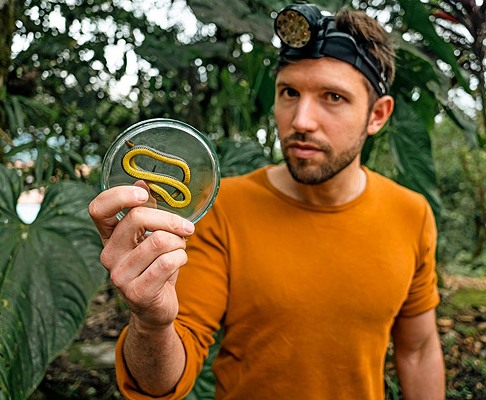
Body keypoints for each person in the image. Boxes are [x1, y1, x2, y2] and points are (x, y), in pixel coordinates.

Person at [89, 4, 445, 400]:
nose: (302, 120)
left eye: (333, 97)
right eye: (289, 92)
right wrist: (150, 324)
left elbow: (418, 350)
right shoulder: (224, 207)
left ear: (377, 115)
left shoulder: (411, 214)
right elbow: (162, 379)